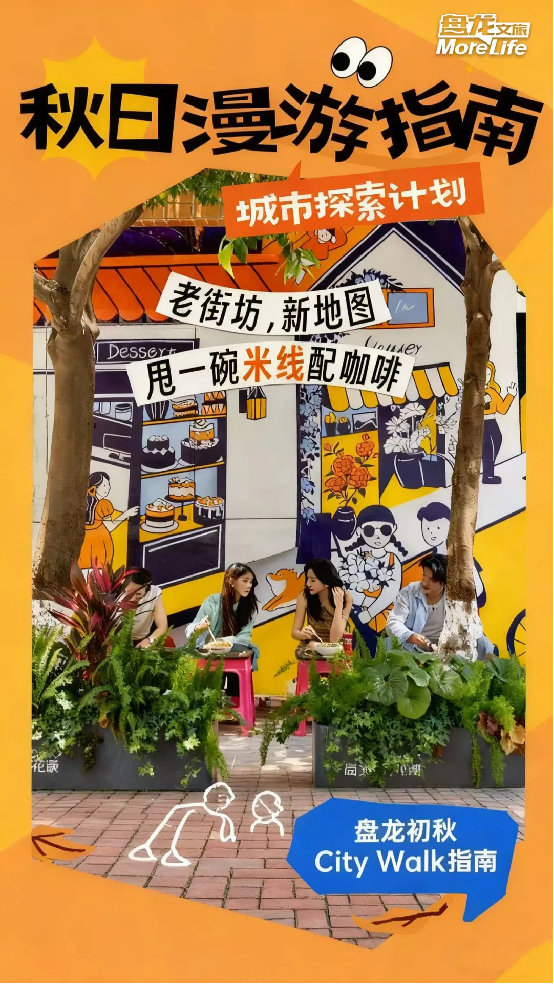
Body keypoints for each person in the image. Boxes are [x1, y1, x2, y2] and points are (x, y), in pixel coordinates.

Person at [386, 554, 495, 660]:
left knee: (483, 643)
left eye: (432, 580)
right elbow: (393, 623)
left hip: (450, 648)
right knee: (389, 642)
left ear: (444, 583)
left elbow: (475, 628)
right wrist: (410, 636)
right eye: (424, 575)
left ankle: (491, 671)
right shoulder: (408, 593)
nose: (425, 582)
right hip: (413, 647)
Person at [335, 505, 407, 632]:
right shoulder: (354, 557)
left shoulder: (392, 559)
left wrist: (370, 613)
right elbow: (345, 585)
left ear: (393, 529)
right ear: (359, 531)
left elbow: (391, 592)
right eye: (370, 530)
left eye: (385, 530)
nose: (378, 536)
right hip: (355, 616)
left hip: (384, 620)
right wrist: (363, 603)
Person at [186, 563, 260, 670]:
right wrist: (198, 627)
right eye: (245, 581)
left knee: (246, 650)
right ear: (231, 581)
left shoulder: (250, 607)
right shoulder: (212, 601)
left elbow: (244, 637)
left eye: (250, 582)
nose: (249, 585)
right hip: (208, 651)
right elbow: (191, 629)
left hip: (233, 649)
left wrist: (223, 643)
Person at [417, 501, 485, 607]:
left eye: (438, 527)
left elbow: (479, 592)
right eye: (427, 528)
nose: (432, 533)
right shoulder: (431, 560)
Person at [78, 471, 139, 572]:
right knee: (98, 574)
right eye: (104, 485)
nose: (108, 488)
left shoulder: (83, 502)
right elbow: (110, 526)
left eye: (108, 485)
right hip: (99, 544)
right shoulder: (103, 504)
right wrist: (126, 514)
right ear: (95, 487)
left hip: (84, 543)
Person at [292, 558, 352, 656]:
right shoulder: (304, 596)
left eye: (313, 580)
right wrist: (304, 635)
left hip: (336, 649)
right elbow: (294, 632)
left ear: (326, 581)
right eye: (307, 579)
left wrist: (338, 606)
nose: (308, 584)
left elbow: (335, 640)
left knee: (337, 653)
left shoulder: (345, 597)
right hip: (313, 647)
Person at [482, 361, 517, 485]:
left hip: (492, 422)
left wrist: (510, 395)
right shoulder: (474, 392)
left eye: (488, 374)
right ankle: (487, 476)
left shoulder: (492, 391)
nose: (485, 377)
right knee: (487, 447)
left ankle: (488, 472)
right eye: (483, 374)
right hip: (481, 423)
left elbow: (502, 409)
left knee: (497, 441)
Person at [124, 568, 168, 648]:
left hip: (141, 640)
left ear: (147, 590)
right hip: (116, 643)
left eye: (138, 594)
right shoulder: (114, 595)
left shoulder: (154, 593)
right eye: (129, 592)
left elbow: (162, 626)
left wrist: (149, 640)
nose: (133, 598)